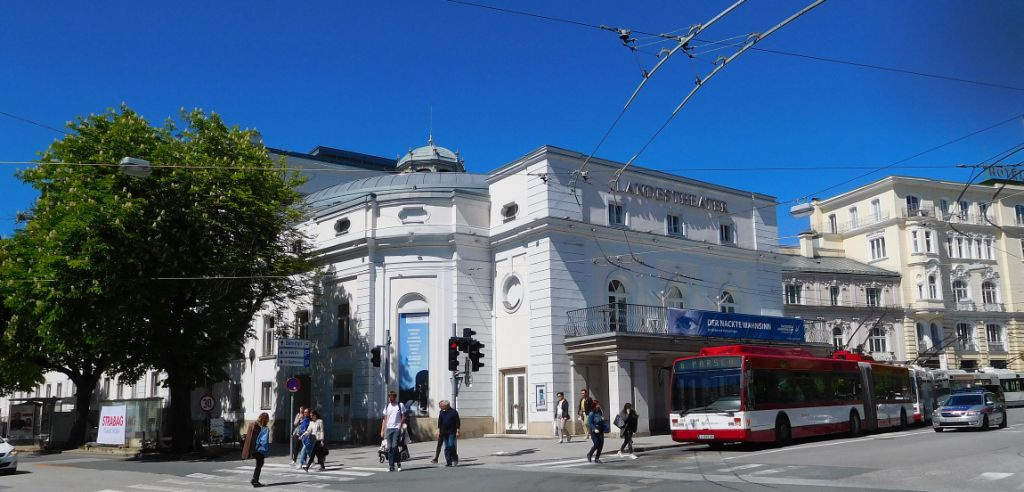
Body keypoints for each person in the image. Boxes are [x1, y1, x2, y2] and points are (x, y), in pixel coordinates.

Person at [380, 390, 406, 472]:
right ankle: (391, 465)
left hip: (396, 428)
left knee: (395, 446)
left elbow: (403, 416)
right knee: (389, 448)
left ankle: (398, 462)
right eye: (389, 398)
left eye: (392, 398)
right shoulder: (387, 406)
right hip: (389, 428)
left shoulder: (399, 405)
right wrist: (382, 430)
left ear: (395, 397)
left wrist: (400, 426)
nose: (390, 400)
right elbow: (385, 419)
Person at [436, 400, 461, 467]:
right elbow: (440, 421)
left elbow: (457, 421)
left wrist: (458, 430)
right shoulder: (441, 412)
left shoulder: (453, 412)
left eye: (441, 406)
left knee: (451, 445)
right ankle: (448, 462)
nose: (440, 407)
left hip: (452, 432)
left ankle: (455, 458)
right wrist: (438, 430)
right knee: (446, 447)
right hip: (443, 432)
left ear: (446, 406)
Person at [249, 412, 270, 488]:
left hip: (253, 449)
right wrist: (266, 448)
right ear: (266, 419)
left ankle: (255, 479)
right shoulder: (265, 428)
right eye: (267, 418)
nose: (268, 420)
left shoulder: (255, 426)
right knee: (259, 464)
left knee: (259, 464)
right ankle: (255, 481)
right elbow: (264, 441)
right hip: (260, 449)